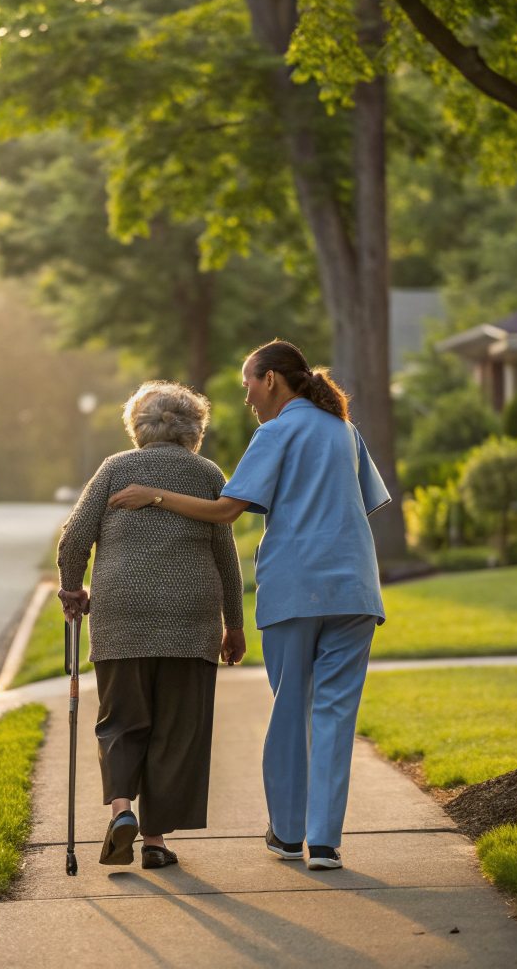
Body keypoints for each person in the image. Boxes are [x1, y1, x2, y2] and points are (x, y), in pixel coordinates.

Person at [108, 340, 389, 871]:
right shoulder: (346, 431)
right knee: (334, 715)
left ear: (273, 381)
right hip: (354, 590)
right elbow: (362, 503)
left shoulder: (276, 431)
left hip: (294, 592)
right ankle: (324, 844)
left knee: (290, 710)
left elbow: (225, 511)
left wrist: (155, 495)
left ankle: (286, 835)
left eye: (248, 385)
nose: (247, 398)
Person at [57, 381, 245, 870]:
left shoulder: (115, 468)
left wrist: (72, 588)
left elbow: (74, 538)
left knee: (122, 721)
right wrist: (235, 624)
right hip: (191, 619)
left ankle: (123, 812)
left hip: (122, 616)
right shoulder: (206, 473)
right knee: (175, 732)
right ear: (194, 428)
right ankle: (155, 843)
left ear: (137, 426)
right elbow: (226, 557)